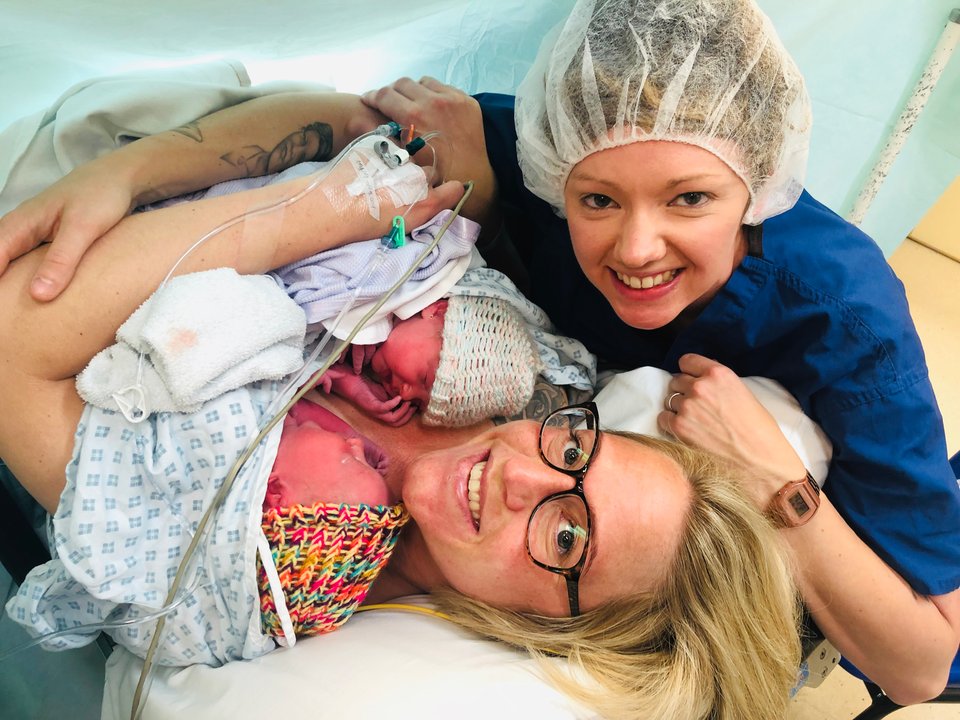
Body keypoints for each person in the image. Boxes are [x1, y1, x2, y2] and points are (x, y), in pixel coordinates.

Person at [2, 0, 957, 703]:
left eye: (692, 200)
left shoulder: (843, 320)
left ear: (760, 187)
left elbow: (923, 665)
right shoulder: (545, 373)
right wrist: (130, 170)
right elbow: (361, 126)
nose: (636, 249)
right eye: (596, 201)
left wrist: (779, 488)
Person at [0, 169, 801, 720]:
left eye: (566, 537)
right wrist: (136, 171)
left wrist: (320, 213)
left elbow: (11, 334)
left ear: (557, 631)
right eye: (573, 456)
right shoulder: (528, 371)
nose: (523, 475)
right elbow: (371, 133)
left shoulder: (253, 571)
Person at [320, 295, 543, 427]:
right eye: (424, 378)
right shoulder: (396, 279)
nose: (405, 395)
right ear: (437, 310)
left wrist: (348, 383)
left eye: (418, 404)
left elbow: (307, 364)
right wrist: (363, 322)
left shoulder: (355, 360)